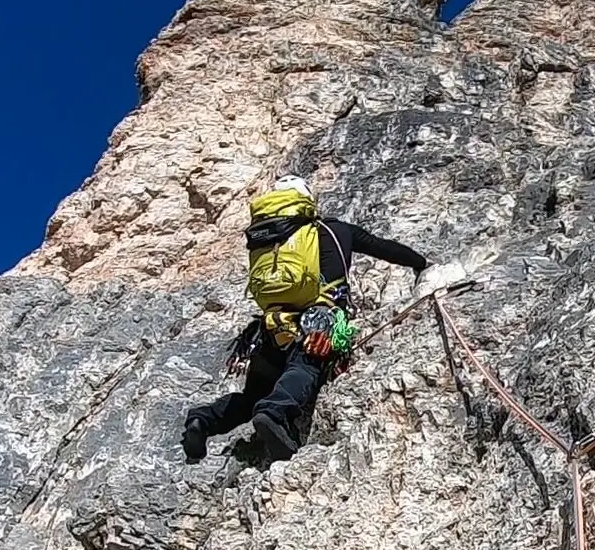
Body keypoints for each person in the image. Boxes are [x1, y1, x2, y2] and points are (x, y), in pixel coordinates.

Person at [181, 175, 456, 464]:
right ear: (308, 202)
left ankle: (203, 420)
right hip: (318, 321)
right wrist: (422, 264)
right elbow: (382, 247)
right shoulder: (331, 230)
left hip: (271, 327)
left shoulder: (265, 236)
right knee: (305, 367)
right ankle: (275, 413)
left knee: (252, 396)